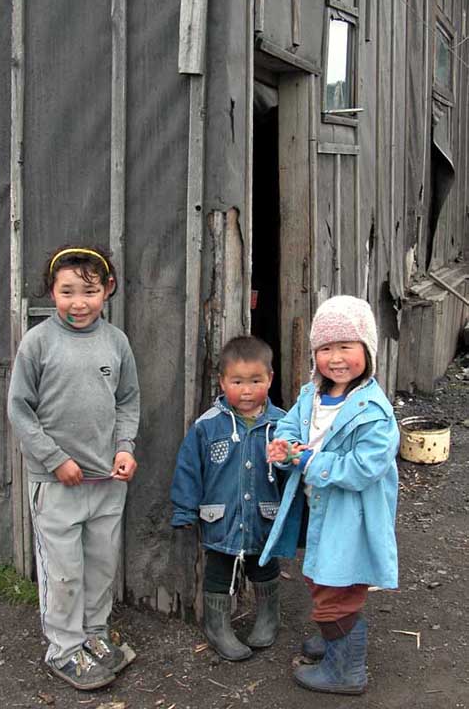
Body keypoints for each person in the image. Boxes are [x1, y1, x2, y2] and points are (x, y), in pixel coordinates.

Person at [7, 245, 140, 691]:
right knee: (63, 570)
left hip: (107, 481)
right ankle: (64, 649)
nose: (78, 302)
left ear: (108, 290)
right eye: (67, 292)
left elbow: (127, 401)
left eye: (89, 291)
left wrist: (124, 448)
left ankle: (94, 635)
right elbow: (20, 411)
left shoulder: (116, 342)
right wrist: (55, 459)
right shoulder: (38, 343)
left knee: (100, 565)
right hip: (58, 483)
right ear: (52, 291)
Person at [261, 295, 399, 695]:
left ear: (367, 352)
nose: (335, 358)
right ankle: (334, 637)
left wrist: (309, 463)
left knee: (338, 588)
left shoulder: (373, 411)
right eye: (325, 348)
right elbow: (290, 426)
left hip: (350, 515)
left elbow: (363, 468)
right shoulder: (313, 394)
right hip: (321, 510)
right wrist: (284, 447)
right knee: (322, 576)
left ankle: (346, 670)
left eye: (346, 347)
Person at [171, 335, 286, 661]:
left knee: (263, 565)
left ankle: (268, 617)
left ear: (270, 379)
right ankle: (217, 626)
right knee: (219, 569)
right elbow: (189, 469)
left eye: (255, 381)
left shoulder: (281, 425)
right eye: (237, 382)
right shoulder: (208, 426)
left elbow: (291, 474)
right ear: (222, 381)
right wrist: (184, 510)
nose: (246, 390)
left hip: (264, 516)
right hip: (220, 517)